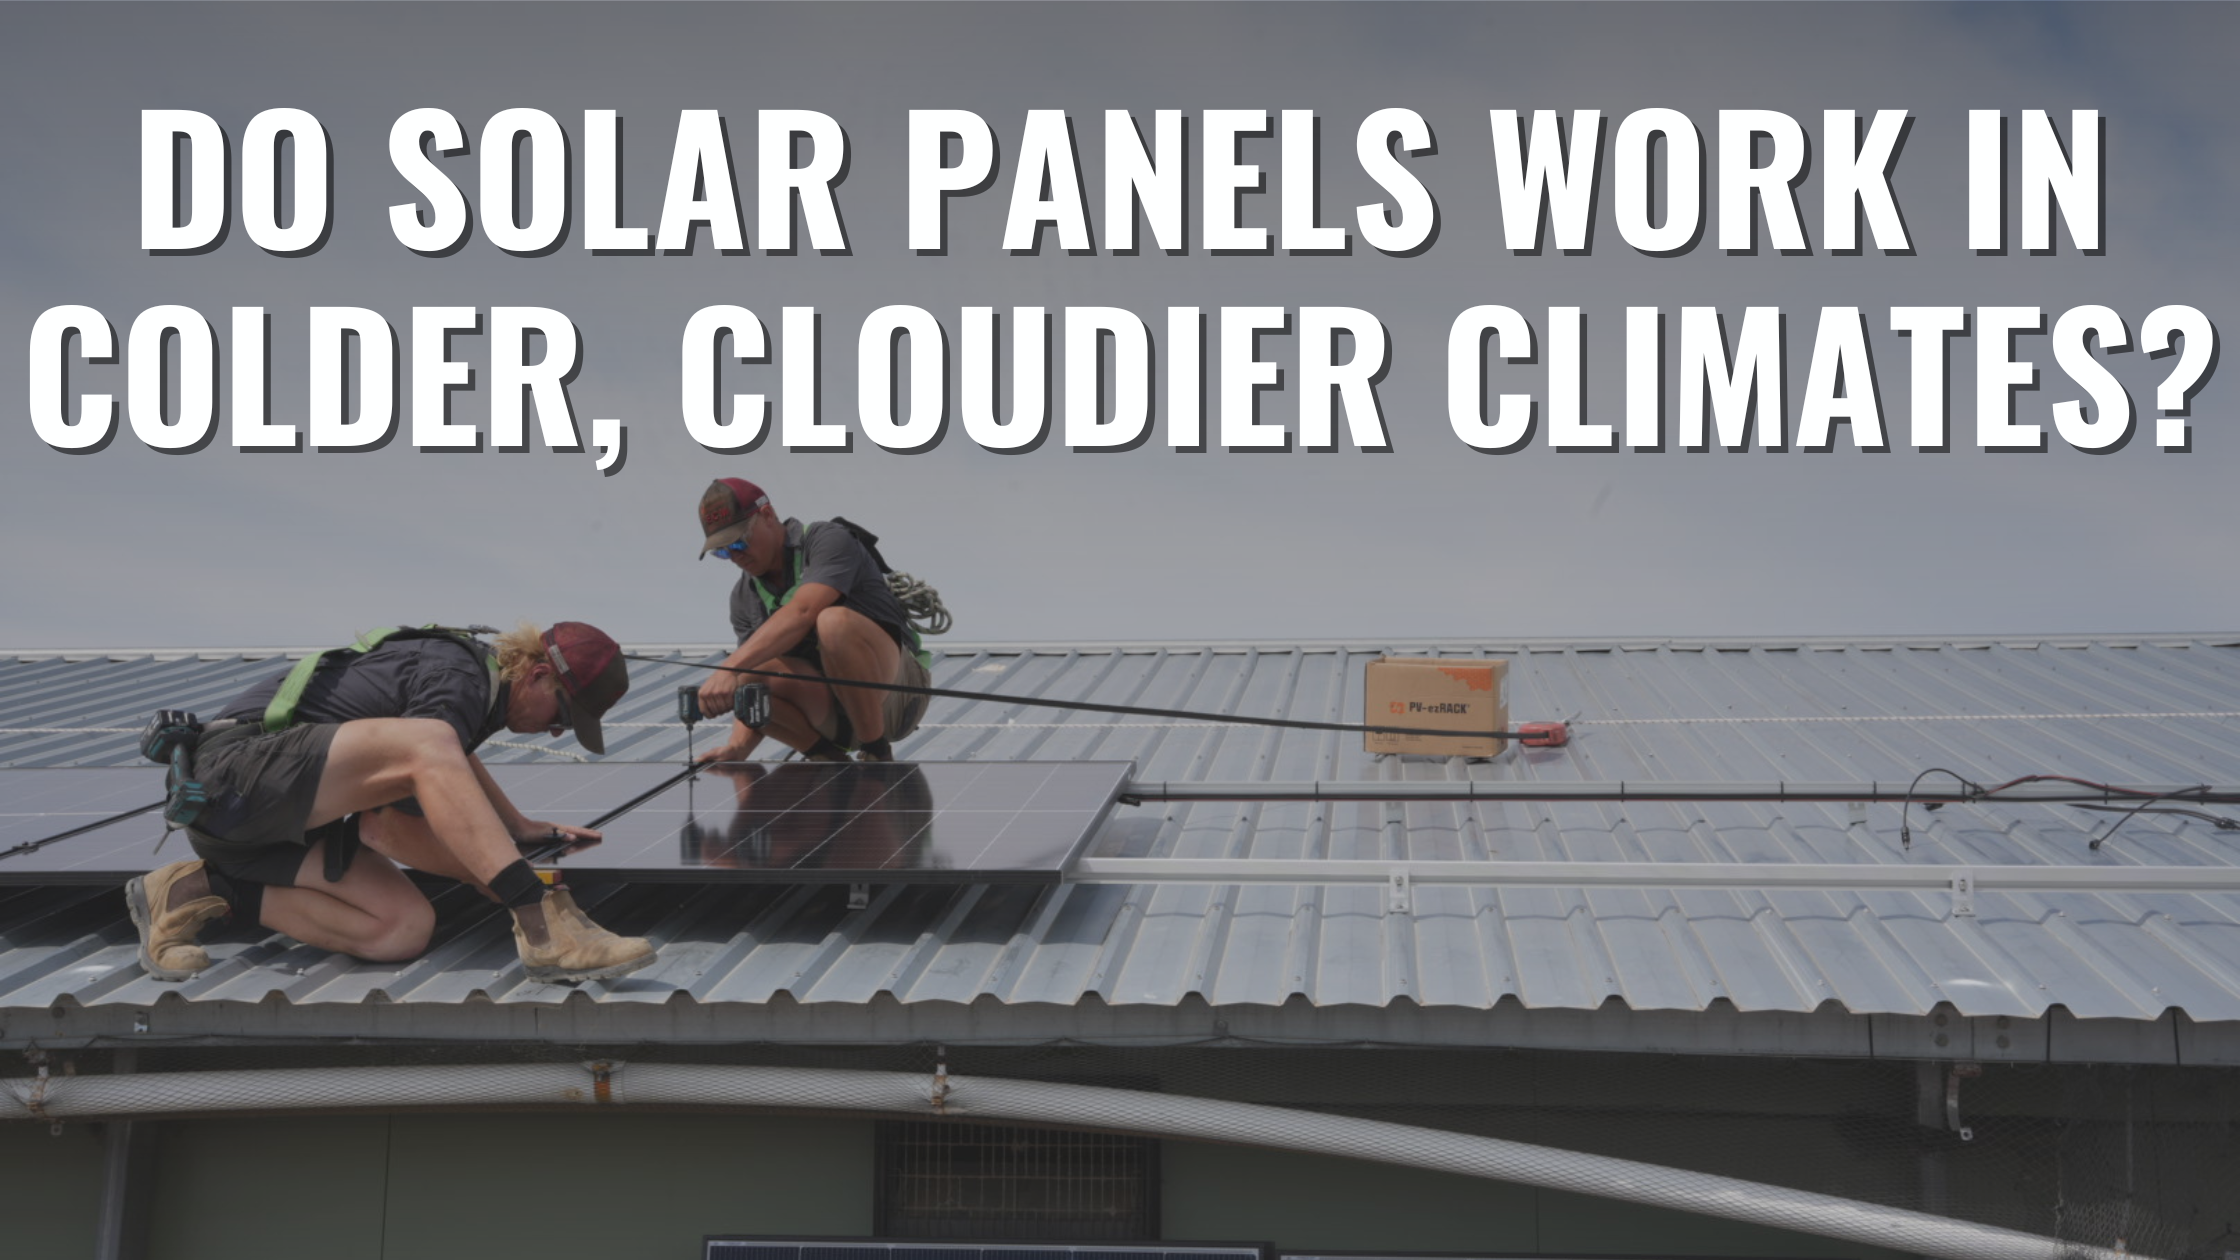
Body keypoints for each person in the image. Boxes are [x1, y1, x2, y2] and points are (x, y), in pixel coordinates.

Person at [126, 622, 657, 985]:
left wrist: (514, 826)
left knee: (402, 930)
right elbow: (389, 827)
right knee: (428, 745)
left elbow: (447, 757)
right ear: (538, 674)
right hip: (236, 776)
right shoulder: (461, 677)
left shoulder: (471, 697)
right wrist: (510, 880)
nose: (560, 730)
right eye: (564, 713)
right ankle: (545, 930)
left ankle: (195, 889)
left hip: (267, 830)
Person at [692, 478, 931, 763]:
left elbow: (804, 611)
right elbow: (751, 681)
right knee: (746, 678)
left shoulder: (826, 540)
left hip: (897, 699)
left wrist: (728, 667)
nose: (735, 556)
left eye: (739, 541)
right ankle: (826, 757)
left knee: (833, 622)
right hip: (834, 719)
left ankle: (876, 752)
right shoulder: (744, 598)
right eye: (723, 551)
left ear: (767, 515)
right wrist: (738, 747)